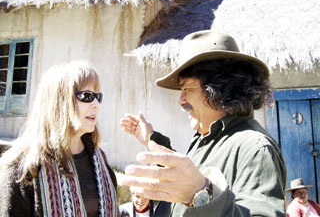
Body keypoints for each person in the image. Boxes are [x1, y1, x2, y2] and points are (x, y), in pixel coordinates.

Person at [119, 30, 287, 216]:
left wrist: (202, 194)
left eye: (187, 89)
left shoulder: (255, 148)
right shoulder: (208, 138)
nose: (181, 101)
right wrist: (151, 139)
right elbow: (188, 178)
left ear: (218, 89)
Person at [0, 61, 118, 217]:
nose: (96, 104)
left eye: (98, 97)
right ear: (60, 102)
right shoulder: (23, 167)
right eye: (87, 96)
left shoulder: (99, 160)